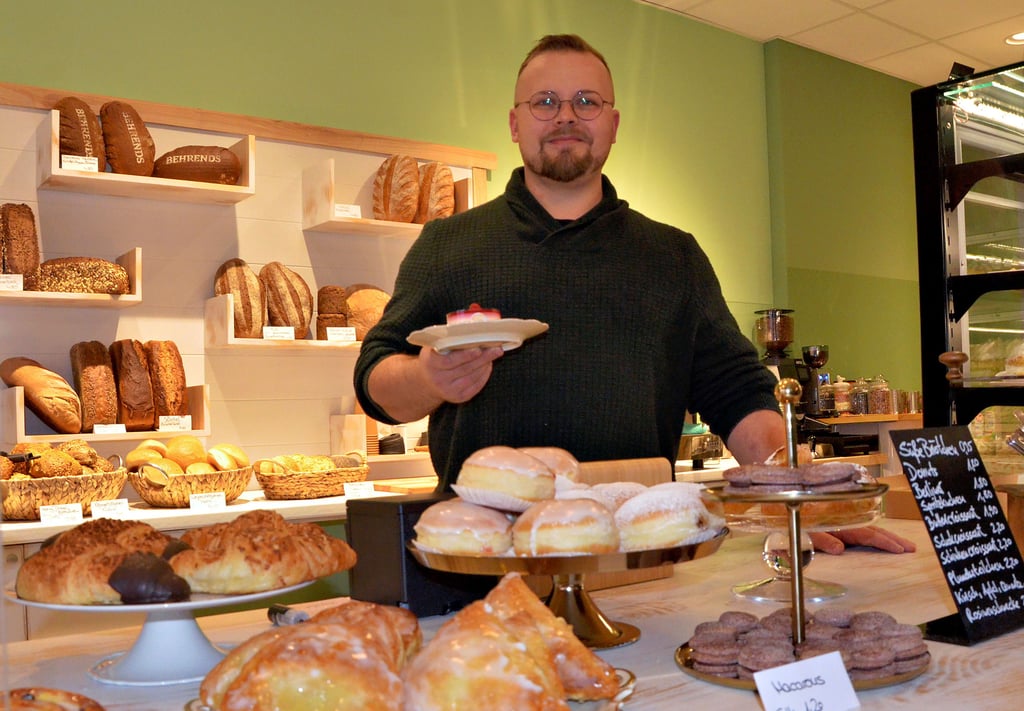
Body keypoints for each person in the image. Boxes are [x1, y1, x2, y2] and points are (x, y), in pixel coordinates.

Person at [353, 33, 913, 555]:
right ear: (515, 123)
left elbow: (737, 393)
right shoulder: (448, 244)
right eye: (545, 101)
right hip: (484, 559)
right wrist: (429, 379)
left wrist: (805, 502)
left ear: (613, 123)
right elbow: (375, 382)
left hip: (640, 555)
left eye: (586, 101)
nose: (567, 115)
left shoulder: (673, 256)